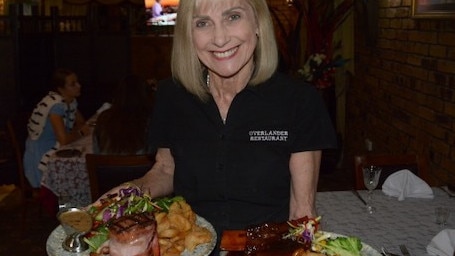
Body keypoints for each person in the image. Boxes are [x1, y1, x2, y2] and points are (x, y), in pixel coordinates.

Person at [101, 0, 337, 252]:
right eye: (203, 23)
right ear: (188, 36)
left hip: (267, 248)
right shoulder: (171, 95)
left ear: (258, 24)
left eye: (233, 17)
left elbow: (302, 209)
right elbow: (166, 169)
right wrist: (133, 190)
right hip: (191, 246)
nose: (220, 38)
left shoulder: (298, 100)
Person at [24, 68, 90, 188]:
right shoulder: (56, 106)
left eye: (77, 82)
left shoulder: (70, 101)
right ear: (61, 89)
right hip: (43, 154)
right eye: (72, 84)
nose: (79, 86)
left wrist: (77, 131)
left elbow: (81, 122)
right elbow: (64, 140)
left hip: (57, 147)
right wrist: (79, 133)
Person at [92, 74, 155, 155]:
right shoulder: (151, 119)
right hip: (142, 166)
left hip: (108, 166)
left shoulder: (104, 118)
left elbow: (96, 152)